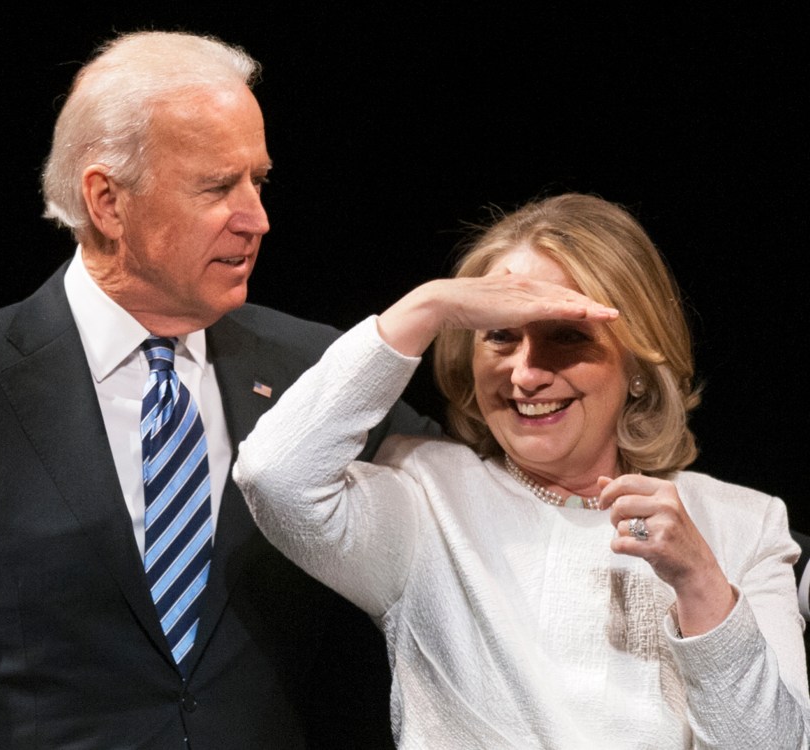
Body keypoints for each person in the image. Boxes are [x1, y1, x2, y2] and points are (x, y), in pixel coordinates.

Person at [0, 30, 439, 748]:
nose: (257, 218)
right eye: (217, 187)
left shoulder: (316, 369)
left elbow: (470, 503)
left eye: (258, 181)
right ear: (108, 202)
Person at [234, 193, 810, 748]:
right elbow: (274, 475)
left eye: (566, 336)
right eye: (500, 334)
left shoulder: (745, 523)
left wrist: (699, 582)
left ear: (637, 362)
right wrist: (429, 305)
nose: (526, 374)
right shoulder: (426, 498)